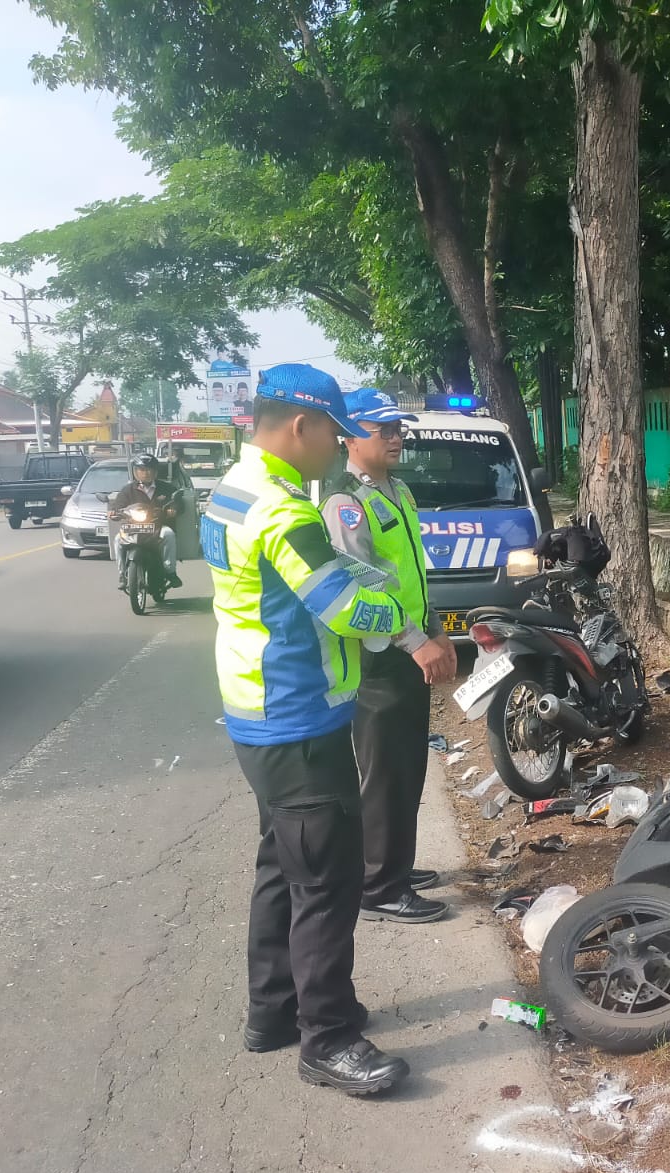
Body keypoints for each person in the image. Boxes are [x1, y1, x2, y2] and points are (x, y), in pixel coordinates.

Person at [202, 363, 411, 1097]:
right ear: (301, 426)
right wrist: (403, 618)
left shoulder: (233, 488)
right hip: (297, 715)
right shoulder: (284, 511)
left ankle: (274, 1011)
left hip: (255, 711)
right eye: (333, 432)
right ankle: (328, 1038)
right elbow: (343, 607)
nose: (338, 446)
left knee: (280, 864)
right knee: (326, 879)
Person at [321, 388, 456, 925]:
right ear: (350, 437)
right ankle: (378, 885)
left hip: (409, 649)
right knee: (384, 775)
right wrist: (414, 641)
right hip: (379, 658)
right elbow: (361, 588)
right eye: (384, 430)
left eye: (399, 428)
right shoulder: (345, 504)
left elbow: (411, 576)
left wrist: (437, 631)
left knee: (407, 767)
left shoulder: (397, 490)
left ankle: (394, 864)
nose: (397, 438)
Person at [110, 453, 181, 590]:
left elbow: (177, 502)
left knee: (169, 534)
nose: (145, 473)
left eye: (149, 470)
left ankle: (170, 571)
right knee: (118, 539)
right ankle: (122, 575)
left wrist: (173, 509)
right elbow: (118, 505)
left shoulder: (166, 488)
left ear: (155, 471)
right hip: (133, 527)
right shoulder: (128, 490)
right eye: (141, 470)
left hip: (158, 527)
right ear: (135, 472)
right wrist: (113, 511)